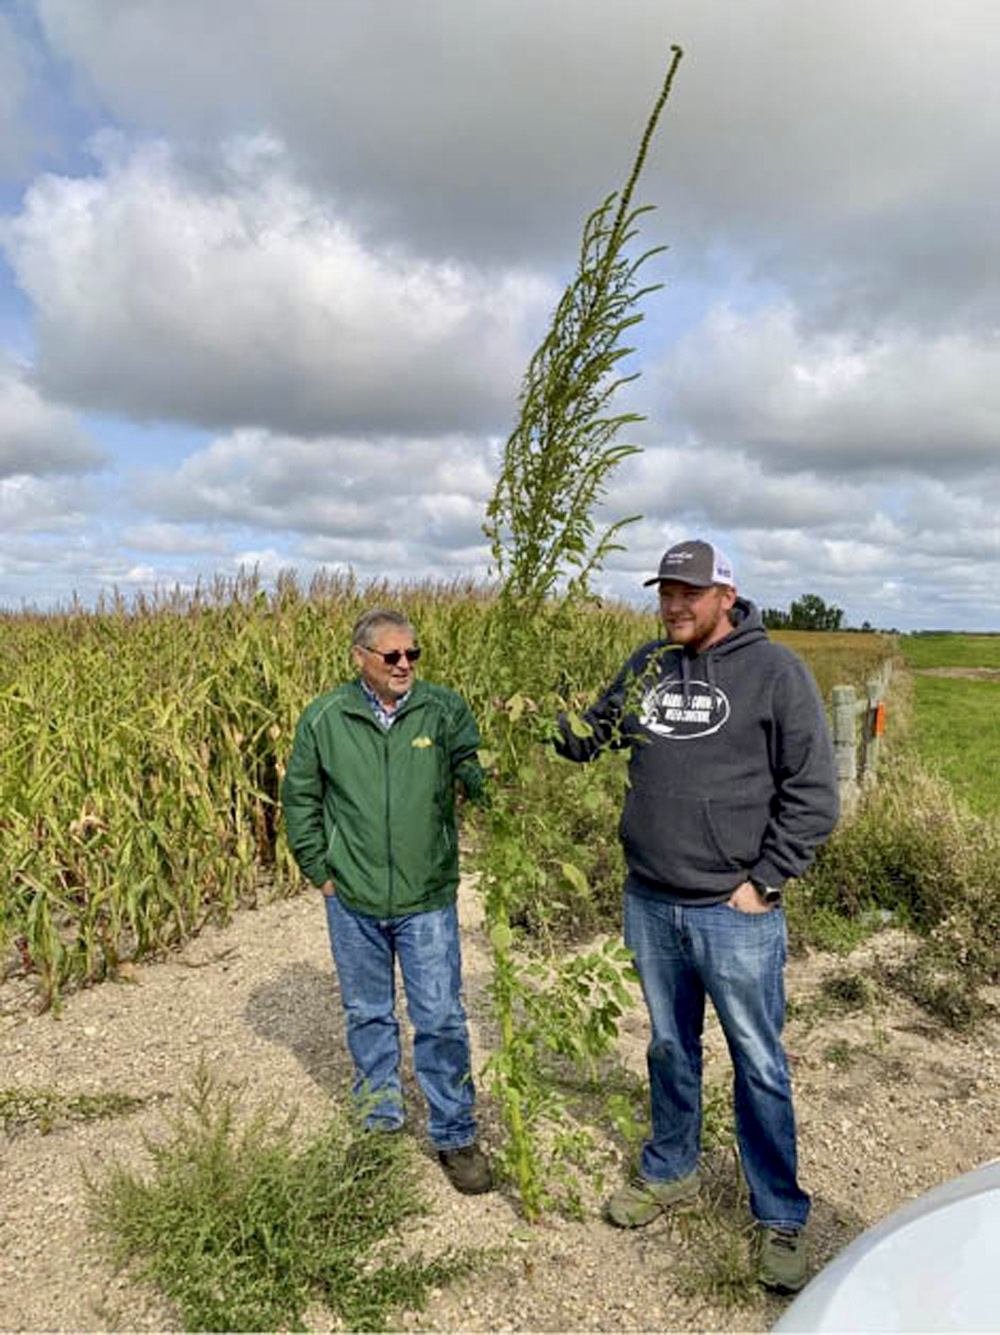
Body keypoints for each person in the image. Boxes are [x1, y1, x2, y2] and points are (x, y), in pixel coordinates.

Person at [554, 539, 838, 1291]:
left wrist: (765, 881)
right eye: (666, 592)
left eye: (689, 592)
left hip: (732, 910)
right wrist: (531, 714)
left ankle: (779, 1211)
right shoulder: (649, 664)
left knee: (759, 1061)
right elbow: (592, 736)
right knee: (669, 1047)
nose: (674, 605)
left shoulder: (776, 673)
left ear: (725, 596)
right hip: (651, 901)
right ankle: (673, 1168)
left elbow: (813, 793)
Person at [282, 607, 492, 1195]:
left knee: (441, 1017)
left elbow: (474, 770)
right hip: (354, 899)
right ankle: (380, 1124)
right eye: (392, 655)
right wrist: (321, 871)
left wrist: (503, 790)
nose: (405, 665)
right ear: (360, 658)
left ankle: (455, 1135)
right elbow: (301, 798)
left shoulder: (443, 709)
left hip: (427, 896)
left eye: (412, 654)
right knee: (368, 1015)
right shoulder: (326, 717)